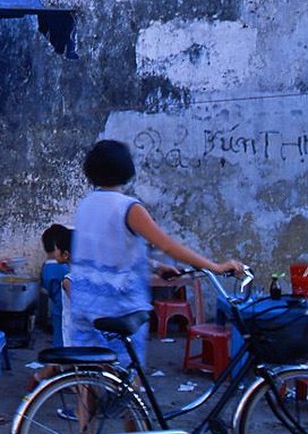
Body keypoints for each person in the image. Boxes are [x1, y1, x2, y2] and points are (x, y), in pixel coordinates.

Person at [69, 140, 245, 368]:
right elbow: (168, 246)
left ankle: (85, 404)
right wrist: (216, 266)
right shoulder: (128, 207)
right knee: (128, 376)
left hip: (84, 301)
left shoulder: (86, 205)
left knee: (91, 375)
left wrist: (154, 266)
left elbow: (106, 249)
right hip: (117, 307)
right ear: (125, 169)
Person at [40, 223, 72, 348]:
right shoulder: (62, 267)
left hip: (59, 310)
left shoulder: (48, 268)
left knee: (60, 340)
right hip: (65, 310)